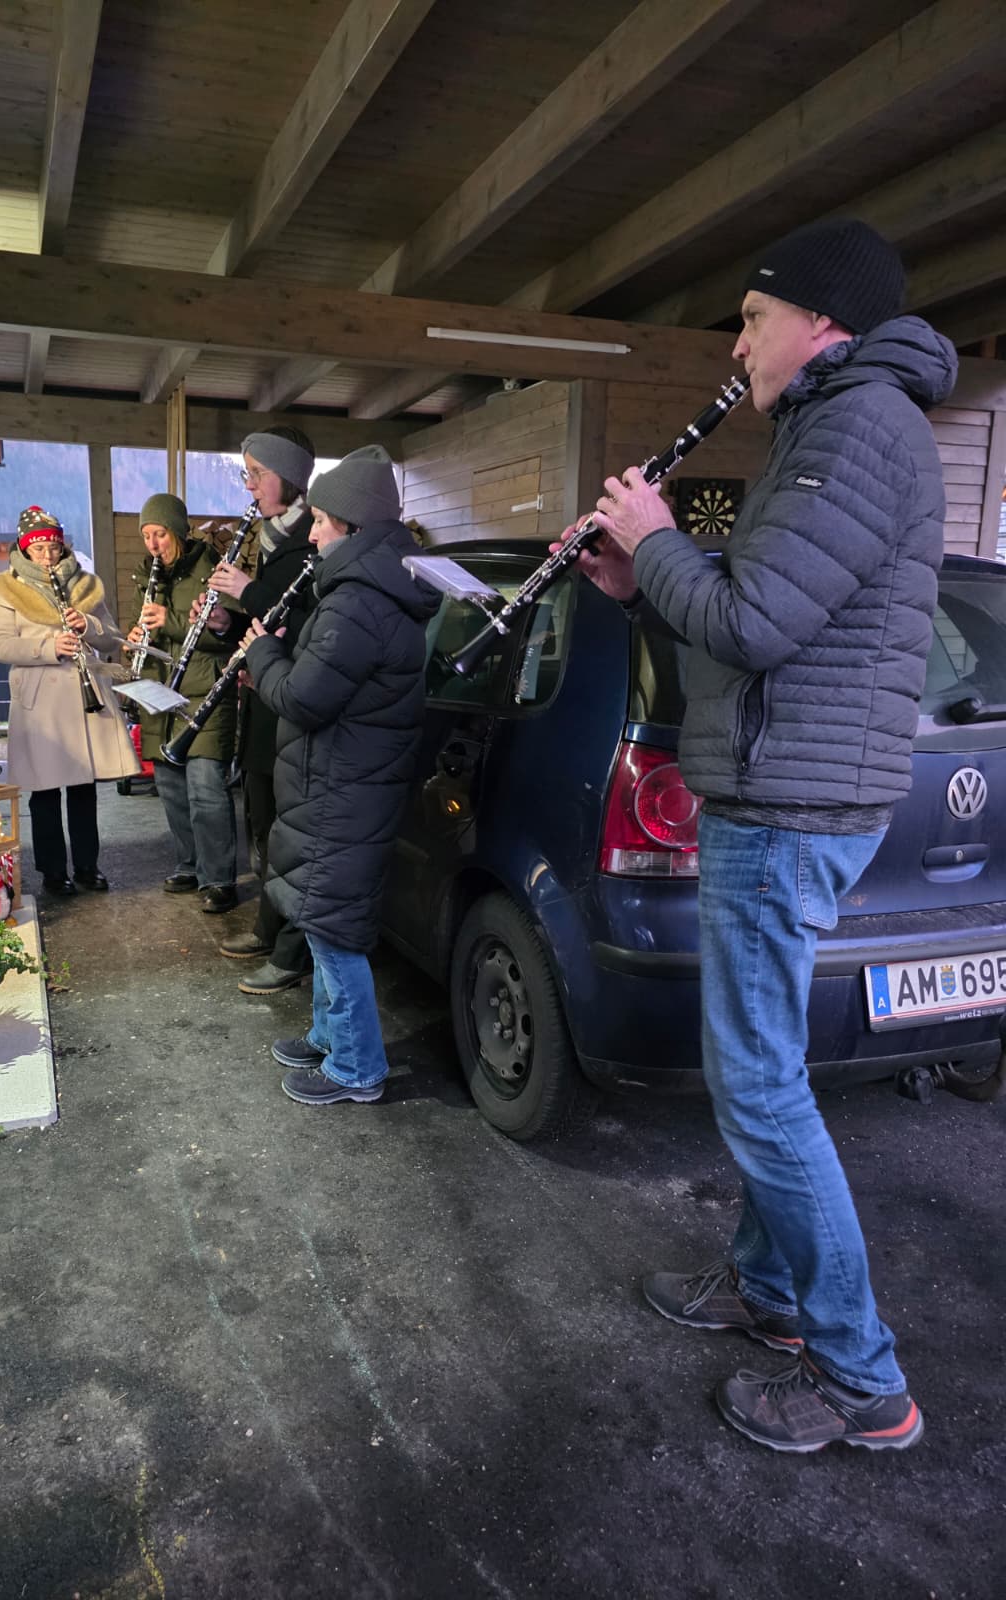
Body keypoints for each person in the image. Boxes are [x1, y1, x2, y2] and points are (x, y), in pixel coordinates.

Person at [577, 218, 956, 1453]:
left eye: (752, 318)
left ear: (822, 322)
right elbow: (755, 621)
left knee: (757, 1089)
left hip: (786, 808)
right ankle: (770, 1291)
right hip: (785, 790)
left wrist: (656, 535)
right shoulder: (835, 425)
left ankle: (863, 1381)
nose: (738, 345)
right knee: (770, 1069)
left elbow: (751, 624)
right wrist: (641, 583)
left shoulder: (857, 428)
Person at [243, 445, 440, 1105]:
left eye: (323, 521)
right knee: (323, 918)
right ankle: (330, 1036)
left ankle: (357, 1067)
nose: (314, 533)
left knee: (334, 932)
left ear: (353, 527)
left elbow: (303, 698)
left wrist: (261, 653)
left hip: (342, 791)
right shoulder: (366, 592)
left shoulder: (359, 602)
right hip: (341, 786)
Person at [203, 426, 318, 994]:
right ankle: (270, 927)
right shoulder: (272, 539)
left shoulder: (313, 543)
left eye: (258, 475)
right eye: (246, 475)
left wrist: (248, 591)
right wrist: (227, 625)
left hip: (291, 713)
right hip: (265, 704)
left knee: (290, 840)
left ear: (289, 477)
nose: (249, 487)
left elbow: (306, 624)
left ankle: (294, 949)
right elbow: (265, 628)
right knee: (265, 830)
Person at [0, 505, 139, 895]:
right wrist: (48, 646)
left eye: (53, 547)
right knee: (45, 791)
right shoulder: (5, 587)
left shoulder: (85, 584)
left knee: (84, 788)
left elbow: (112, 637)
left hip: (82, 699)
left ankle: (88, 866)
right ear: (24, 548)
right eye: (38, 549)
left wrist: (89, 625)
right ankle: (53, 872)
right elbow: (0, 645)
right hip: (41, 703)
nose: (47, 556)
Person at [126, 493, 239, 913]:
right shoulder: (147, 576)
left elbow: (229, 632)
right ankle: (189, 865)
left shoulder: (213, 569)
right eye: (146, 536)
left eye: (160, 534)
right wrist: (134, 640)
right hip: (160, 692)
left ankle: (219, 878)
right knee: (172, 789)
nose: (153, 544)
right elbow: (145, 626)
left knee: (207, 788)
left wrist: (169, 622)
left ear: (178, 531)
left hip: (204, 691)